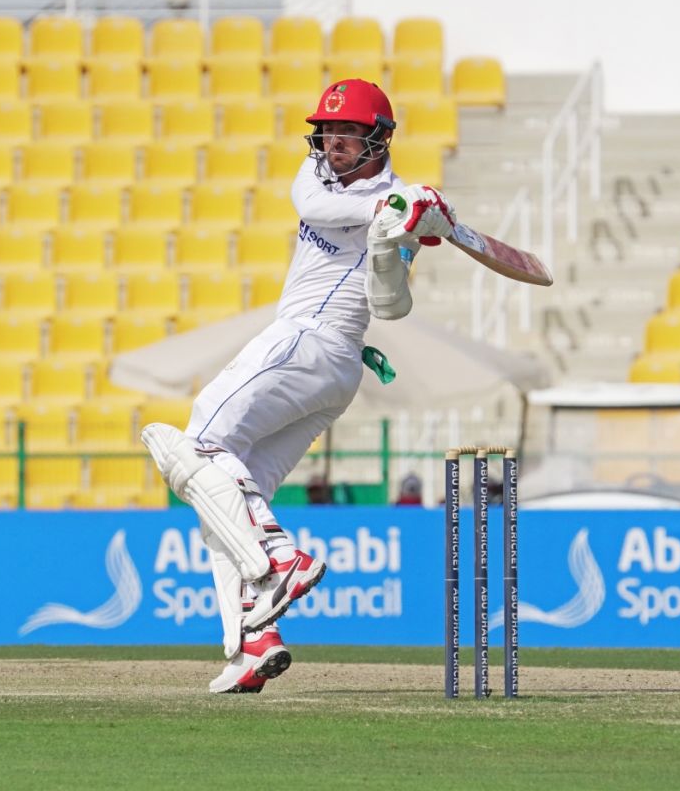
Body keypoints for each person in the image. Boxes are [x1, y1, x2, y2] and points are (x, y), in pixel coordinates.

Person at [141, 79, 457, 693]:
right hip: (326, 368)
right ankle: (254, 642)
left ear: (379, 139)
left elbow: (390, 306)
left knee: (199, 440)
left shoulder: (398, 209)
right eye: (327, 133)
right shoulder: (324, 181)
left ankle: (281, 558)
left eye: (348, 135)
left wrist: (398, 237)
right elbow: (313, 209)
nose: (333, 145)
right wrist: (391, 211)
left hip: (315, 342)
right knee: (227, 498)